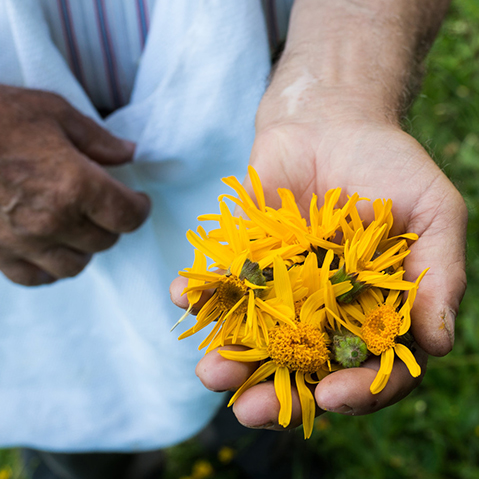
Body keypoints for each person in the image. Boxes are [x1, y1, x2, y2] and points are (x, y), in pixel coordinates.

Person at [0, 0, 467, 478]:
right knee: (77, 409)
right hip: (23, 213)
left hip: (281, 98)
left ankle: (256, 458)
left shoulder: (314, 273)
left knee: (263, 414)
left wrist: (342, 93)